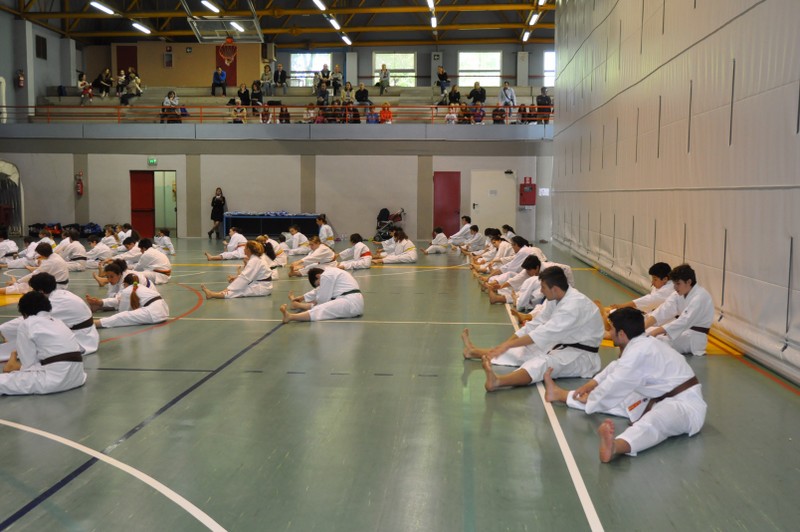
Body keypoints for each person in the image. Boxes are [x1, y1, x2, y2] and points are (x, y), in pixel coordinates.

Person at [543, 307, 707, 463]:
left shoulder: (639, 350)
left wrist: (593, 398)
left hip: (685, 406)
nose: (610, 333)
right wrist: (592, 384)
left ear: (621, 334)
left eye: (612, 329)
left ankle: (615, 447)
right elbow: (616, 367)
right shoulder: (642, 343)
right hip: (655, 397)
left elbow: (616, 380)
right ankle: (559, 394)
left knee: (654, 421)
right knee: (617, 401)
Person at [463, 266, 604, 392]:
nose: (541, 291)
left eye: (543, 287)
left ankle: (498, 381)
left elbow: (543, 333)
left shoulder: (573, 306)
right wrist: (507, 344)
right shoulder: (557, 298)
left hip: (582, 356)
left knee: (542, 364)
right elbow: (535, 324)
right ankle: (473, 352)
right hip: (562, 344)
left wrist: (508, 345)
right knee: (524, 350)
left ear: (554, 288)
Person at [0, 291, 86, 396]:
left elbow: (28, 364)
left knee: (4, 381)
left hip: (54, 381)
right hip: (77, 377)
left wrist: (17, 369)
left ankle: (13, 367)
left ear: (24, 313)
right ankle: (14, 367)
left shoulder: (27, 323)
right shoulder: (59, 322)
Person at [645, 264, 715, 356]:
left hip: (693, 338)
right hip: (682, 332)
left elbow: (684, 321)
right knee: (646, 331)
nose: (675, 287)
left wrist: (655, 332)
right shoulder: (679, 293)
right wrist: (642, 328)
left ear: (689, 282)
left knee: (658, 341)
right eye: (674, 284)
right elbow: (663, 310)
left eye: (678, 284)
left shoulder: (700, 297)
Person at [280, 267, 364, 323]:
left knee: (321, 308)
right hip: (352, 301)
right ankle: (296, 306)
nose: (320, 285)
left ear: (318, 276)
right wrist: (302, 297)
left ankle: (291, 316)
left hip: (349, 303)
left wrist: (305, 304)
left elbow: (323, 300)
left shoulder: (326, 275)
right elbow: (318, 290)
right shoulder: (332, 272)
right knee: (321, 304)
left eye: (318, 284)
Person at [201, 240, 273, 299]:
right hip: (261, 284)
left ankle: (213, 295)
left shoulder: (255, 260)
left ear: (248, 249)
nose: (244, 249)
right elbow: (247, 276)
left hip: (263, 287)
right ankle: (214, 294)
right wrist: (236, 278)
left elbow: (245, 278)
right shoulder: (256, 259)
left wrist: (229, 288)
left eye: (245, 248)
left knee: (239, 290)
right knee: (239, 287)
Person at [93, 273, 169, 329]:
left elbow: (123, 312)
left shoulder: (126, 291)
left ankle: (94, 323)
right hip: (164, 310)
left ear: (125, 283)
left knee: (121, 316)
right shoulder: (143, 287)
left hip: (153, 314)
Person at [0, 243, 69, 295]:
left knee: (24, 287)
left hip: (57, 287)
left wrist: (18, 282)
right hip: (60, 284)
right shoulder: (55, 256)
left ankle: (3, 289)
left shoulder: (50, 262)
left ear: (42, 253)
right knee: (30, 282)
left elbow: (34, 275)